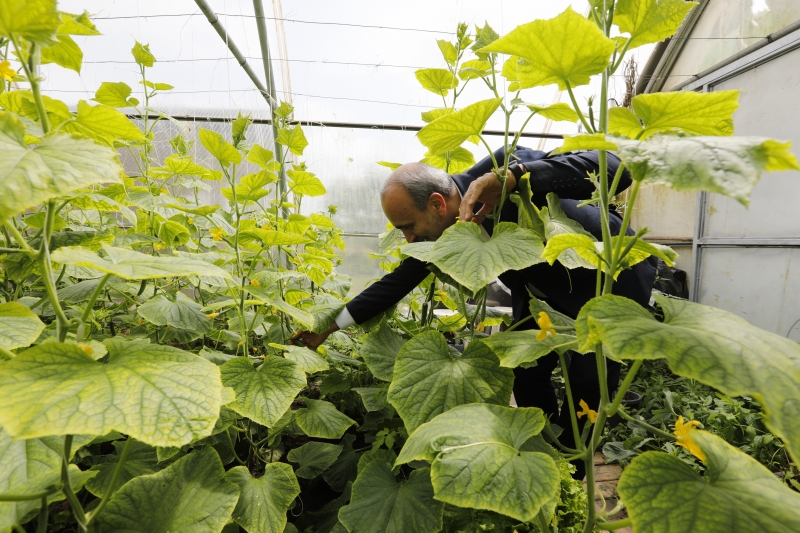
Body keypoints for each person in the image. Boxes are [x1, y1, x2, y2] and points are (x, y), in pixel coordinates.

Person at [292, 146, 657, 479]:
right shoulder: (443, 233)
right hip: (541, 296)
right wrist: (331, 326)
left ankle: (573, 475)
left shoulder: (504, 167)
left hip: (610, 280)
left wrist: (514, 177)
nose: (407, 239)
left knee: (588, 385)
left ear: (437, 204)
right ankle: (544, 452)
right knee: (526, 373)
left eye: (407, 227)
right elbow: (397, 282)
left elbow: (617, 168)